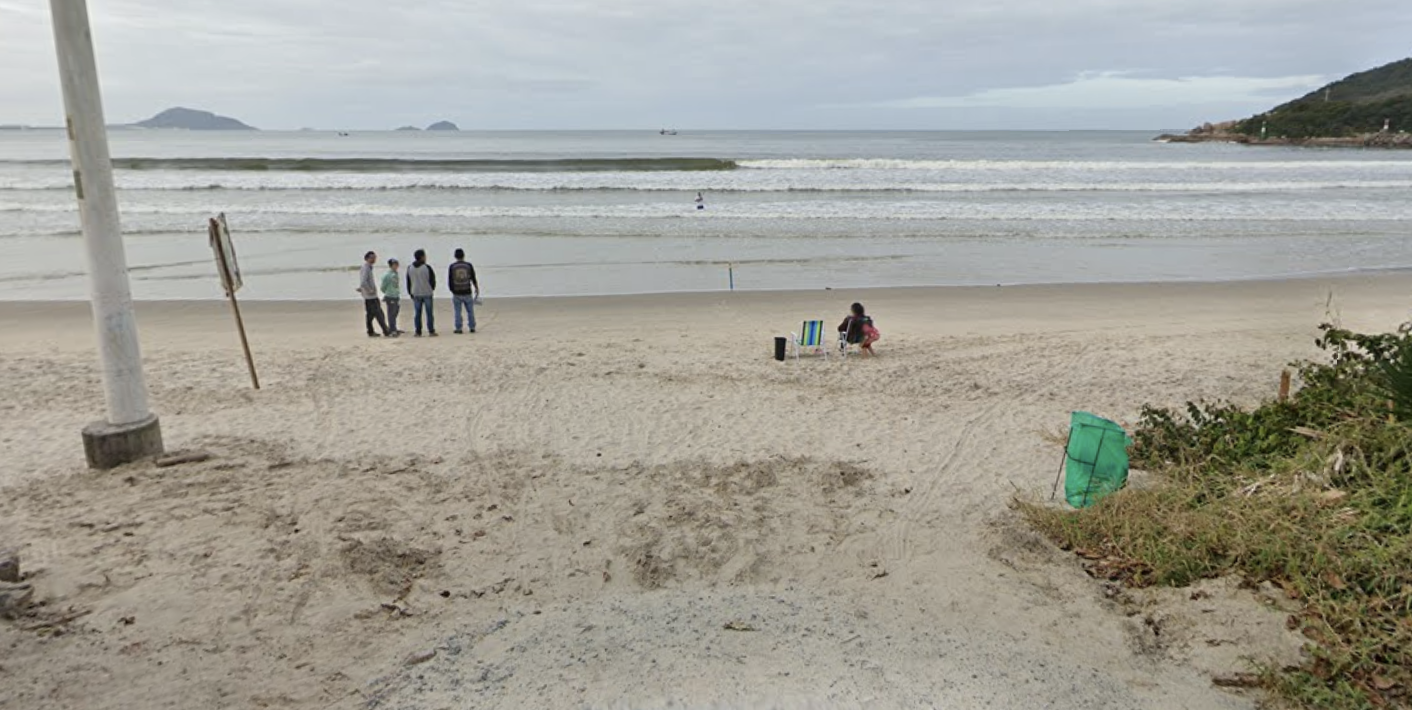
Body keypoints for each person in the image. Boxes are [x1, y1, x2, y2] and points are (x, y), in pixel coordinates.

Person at [358, 251, 394, 338]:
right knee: (379, 314)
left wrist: (363, 289)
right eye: (372, 258)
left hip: (369, 295)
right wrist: (369, 290)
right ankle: (386, 331)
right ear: (367, 258)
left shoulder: (368, 267)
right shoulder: (366, 268)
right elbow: (363, 281)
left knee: (370, 314)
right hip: (370, 296)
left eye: (375, 257)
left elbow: (363, 282)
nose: (374, 259)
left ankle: (370, 331)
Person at [406, 249, 437, 337]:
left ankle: (418, 331)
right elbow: (432, 280)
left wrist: (410, 292)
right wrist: (432, 289)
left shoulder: (410, 268)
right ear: (422, 257)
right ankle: (431, 330)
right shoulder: (427, 267)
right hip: (427, 292)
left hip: (415, 292)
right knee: (429, 313)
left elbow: (408, 282)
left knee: (417, 313)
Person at [448, 248, 480, 334]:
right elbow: (473, 277)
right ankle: (472, 327)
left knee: (457, 311)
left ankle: (458, 328)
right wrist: (476, 287)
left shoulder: (452, 266)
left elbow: (450, 280)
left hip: (457, 292)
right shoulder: (468, 265)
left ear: (455, 256)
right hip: (467, 291)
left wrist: (452, 290)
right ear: (463, 255)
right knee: (470, 310)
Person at [381, 258, 403, 335]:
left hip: (396, 296)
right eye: (394, 264)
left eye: (397, 264)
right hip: (390, 296)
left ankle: (394, 327)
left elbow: (396, 285)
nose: (396, 266)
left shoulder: (396, 274)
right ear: (391, 265)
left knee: (396, 311)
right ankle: (392, 329)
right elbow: (383, 287)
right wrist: (387, 293)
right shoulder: (387, 275)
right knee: (391, 313)